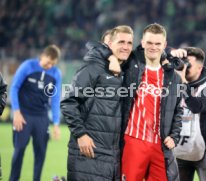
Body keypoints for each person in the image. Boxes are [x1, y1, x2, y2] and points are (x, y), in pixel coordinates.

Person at [104, 23, 182, 181]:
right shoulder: (131, 65)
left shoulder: (173, 77)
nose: (153, 47)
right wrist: (112, 57)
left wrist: (174, 135)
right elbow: (101, 49)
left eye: (158, 43)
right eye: (150, 43)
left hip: (161, 145)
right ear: (142, 43)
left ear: (164, 45)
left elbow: (178, 110)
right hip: (134, 141)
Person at [60, 25, 133, 181]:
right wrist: (81, 134)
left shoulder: (124, 70)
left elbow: (149, 49)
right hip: (89, 152)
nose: (126, 47)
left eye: (129, 43)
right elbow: (68, 102)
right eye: (121, 42)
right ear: (109, 45)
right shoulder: (93, 67)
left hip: (112, 156)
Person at [9, 45, 62, 181]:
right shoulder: (27, 66)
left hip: (41, 118)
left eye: (53, 63)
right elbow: (14, 88)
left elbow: (55, 100)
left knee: (40, 154)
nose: (50, 66)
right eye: (48, 62)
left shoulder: (56, 74)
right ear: (42, 56)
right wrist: (16, 112)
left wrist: (56, 124)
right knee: (19, 151)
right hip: (23, 116)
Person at [174, 47, 206, 181]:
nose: (184, 66)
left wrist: (182, 82)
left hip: (205, 150)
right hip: (180, 149)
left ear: (199, 68)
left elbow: (196, 106)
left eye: (188, 64)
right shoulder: (174, 82)